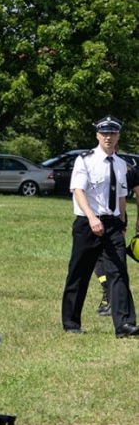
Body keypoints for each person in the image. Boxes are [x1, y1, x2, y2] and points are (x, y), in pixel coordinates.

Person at [61, 115, 139, 338]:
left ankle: (124, 325)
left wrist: (123, 222)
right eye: (104, 133)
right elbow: (78, 191)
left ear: (118, 136)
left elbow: (122, 196)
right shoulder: (84, 160)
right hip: (88, 223)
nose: (108, 137)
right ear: (97, 135)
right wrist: (91, 217)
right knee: (80, 273)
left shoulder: (122, 164)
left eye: (112, 133)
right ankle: (71, 323)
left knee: (119, 273)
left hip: (113, 224)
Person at [94, 160, 139, 315]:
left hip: (115, 217)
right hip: (96, 216)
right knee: (99, 257)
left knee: (111, 257)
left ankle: (112, 297)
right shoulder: (125, 167)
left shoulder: (126, 169)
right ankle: (109, 293)